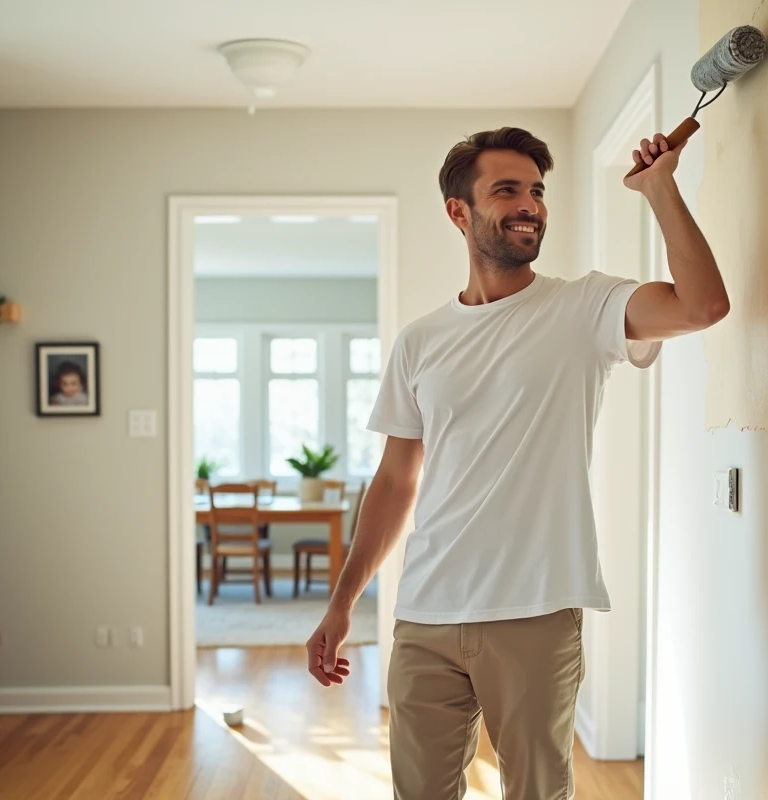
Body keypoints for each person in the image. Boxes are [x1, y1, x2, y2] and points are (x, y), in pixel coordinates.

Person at [306, 126, 729, 798]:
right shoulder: (420, 342)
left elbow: (702, 305)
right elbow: (394, 480)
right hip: (426, 614)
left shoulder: (583, 307)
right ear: (458, 211)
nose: (529, 203)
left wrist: (660, 187)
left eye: (536, 190)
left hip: (535, 611)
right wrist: (342, 602)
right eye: (506, 190)